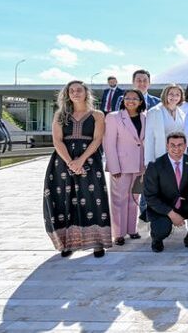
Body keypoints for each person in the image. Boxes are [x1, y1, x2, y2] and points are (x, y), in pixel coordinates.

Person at [44, 81, 111, 258]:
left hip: (90, 160)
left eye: (78, 90)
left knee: (92, 198)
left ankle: (97, 243)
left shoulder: (97, 115)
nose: (75, 93)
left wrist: (81, 160)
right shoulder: (60, 115)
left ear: (86, 93)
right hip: (62, 162)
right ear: (67, 94)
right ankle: (67, 244)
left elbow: (97, 140)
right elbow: (57, 140)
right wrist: (70, 163)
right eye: (71, 90)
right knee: (65, 199)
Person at [143, 131, 188, 253]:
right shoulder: (155, 165)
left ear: (185, 146)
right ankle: (156, 239)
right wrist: (171, 214)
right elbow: (150, 197)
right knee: (162, 229)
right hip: (161, 207)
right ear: (167, 146)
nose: (176, 148)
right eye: (173, 145)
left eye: (180, 145)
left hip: (182, 203)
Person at [103, 89, 146, 246]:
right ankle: (119, 233)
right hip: (121, 165)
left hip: (139, 165)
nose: (131, 101)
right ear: (123, 100)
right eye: (128, 98)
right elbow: (109, 143)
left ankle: (132, 229)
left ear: (141, 101)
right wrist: (114, 167)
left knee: (135, 198)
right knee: (119, 199)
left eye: (135, 98)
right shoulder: (113, 117)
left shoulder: (145, 117)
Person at [145, 84, 186, 166]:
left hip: (178, 156)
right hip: (161, 154)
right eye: (171, 94)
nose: (174, 97)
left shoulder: (181, 113)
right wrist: (149, 163)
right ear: (165, 95)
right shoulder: (155, 111)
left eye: (177, 94)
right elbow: (149, 139)